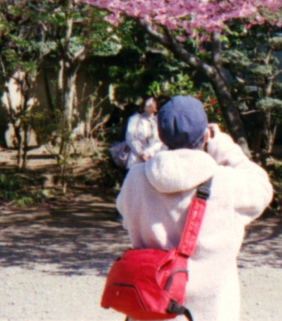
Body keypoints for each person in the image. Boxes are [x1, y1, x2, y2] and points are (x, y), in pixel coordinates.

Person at [116, 94, 273, 321]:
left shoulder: (135, 179)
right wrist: (224, 147)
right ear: (206, 135)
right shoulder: (226, 183)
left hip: (151, 308)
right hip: (211, 312)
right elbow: (262, 188)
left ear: (160, 134)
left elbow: (124, 215)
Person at [124, 95, 165, 168]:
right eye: (148, 100)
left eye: (153, 101)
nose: (150, 103)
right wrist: (141, 153)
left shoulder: (159, 122)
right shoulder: (135, 119)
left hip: (153, 160)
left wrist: (149, 152)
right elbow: (130, 137)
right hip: (135, 161)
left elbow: (160, 141)